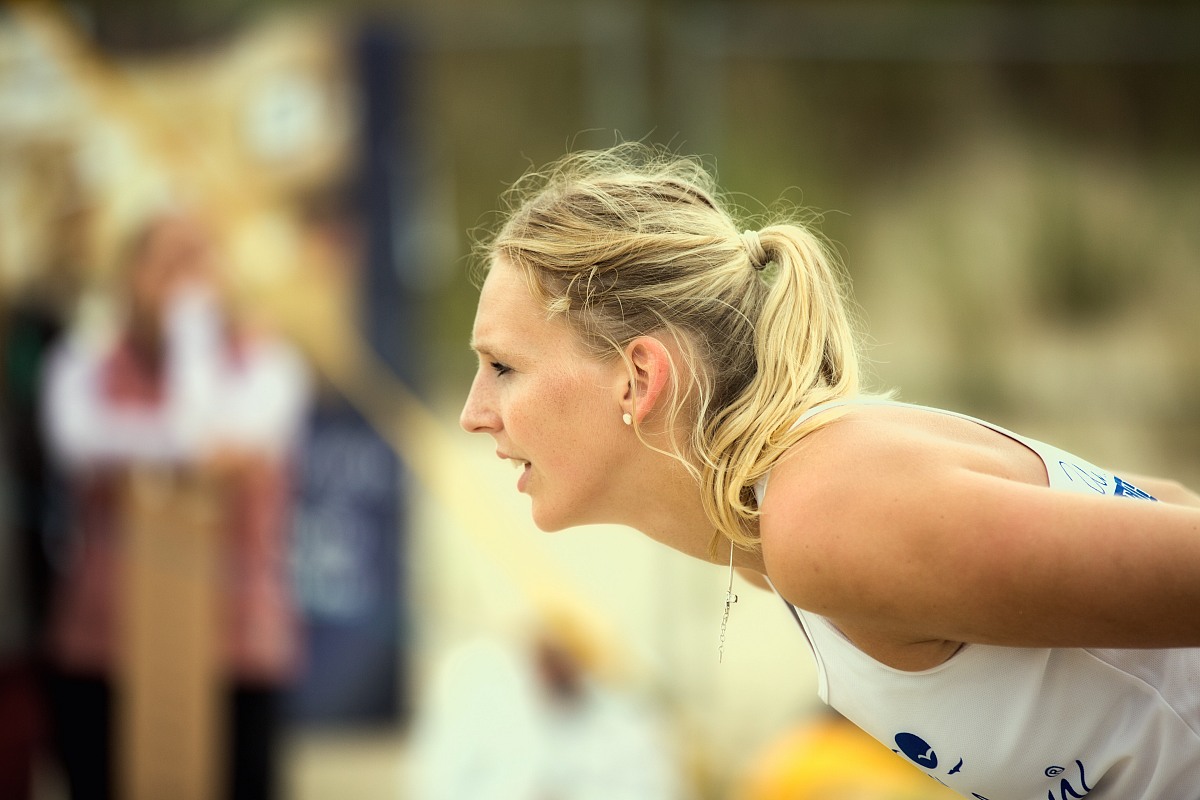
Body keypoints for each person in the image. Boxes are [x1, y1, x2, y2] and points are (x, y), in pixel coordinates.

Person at [458, 143, 1200, 799]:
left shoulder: (827, 513)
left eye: (502, 366)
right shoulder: (791, 509)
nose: (473, 413)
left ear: (639, 378)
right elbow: (1162, 504)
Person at [40, 212, 312, 800]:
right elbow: (85, 440)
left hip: (235, 648)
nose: (183, 277)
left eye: (197, 258)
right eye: (164, 260)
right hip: (108, 648)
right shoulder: (84, 363)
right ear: (128, 274)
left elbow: (209, 439)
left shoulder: (267, 366)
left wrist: (191, 331)